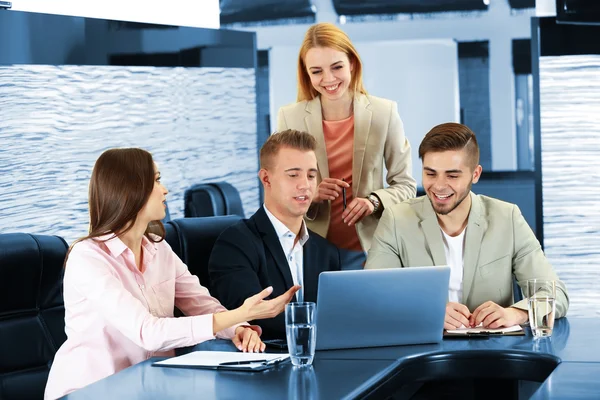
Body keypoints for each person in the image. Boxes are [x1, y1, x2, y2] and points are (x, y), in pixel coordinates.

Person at [45, 148, 298, 400]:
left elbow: (201, 304)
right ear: (130, 189)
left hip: (149, 387)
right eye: (156, 180)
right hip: (91, 391)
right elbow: (148, 333)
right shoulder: (87, 258)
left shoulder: (158, 247)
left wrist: (239, 327)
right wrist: (239, 314)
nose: (165, 189)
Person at [365, 123, 569, 330]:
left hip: (493, 350)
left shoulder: (507, 218)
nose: (439, 186)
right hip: (422, 350)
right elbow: (372, 295)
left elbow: (555, 294)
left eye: (452, 175)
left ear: (475, 174)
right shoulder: (396, 219)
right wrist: (427, 311)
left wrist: (516, 314)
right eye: (431, 174)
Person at [277, 22, 416, 263]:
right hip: (310, 250)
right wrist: (312, 194)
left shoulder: (385, 112)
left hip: (370, 250)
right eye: (317, 71)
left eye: (337, 67)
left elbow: (405, 185)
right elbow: (278, 192)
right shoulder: (290, 117)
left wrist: (373, 202)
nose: (328, 79)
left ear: (352, 63)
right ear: (307, 74)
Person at [209, 130, 342, 340]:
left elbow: (338, 318)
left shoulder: (326, 252)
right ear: (266, 179)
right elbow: (251, 318)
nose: (305, 185)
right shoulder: (235, 244)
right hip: (266, 364)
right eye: (293, 175)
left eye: (311, 175)